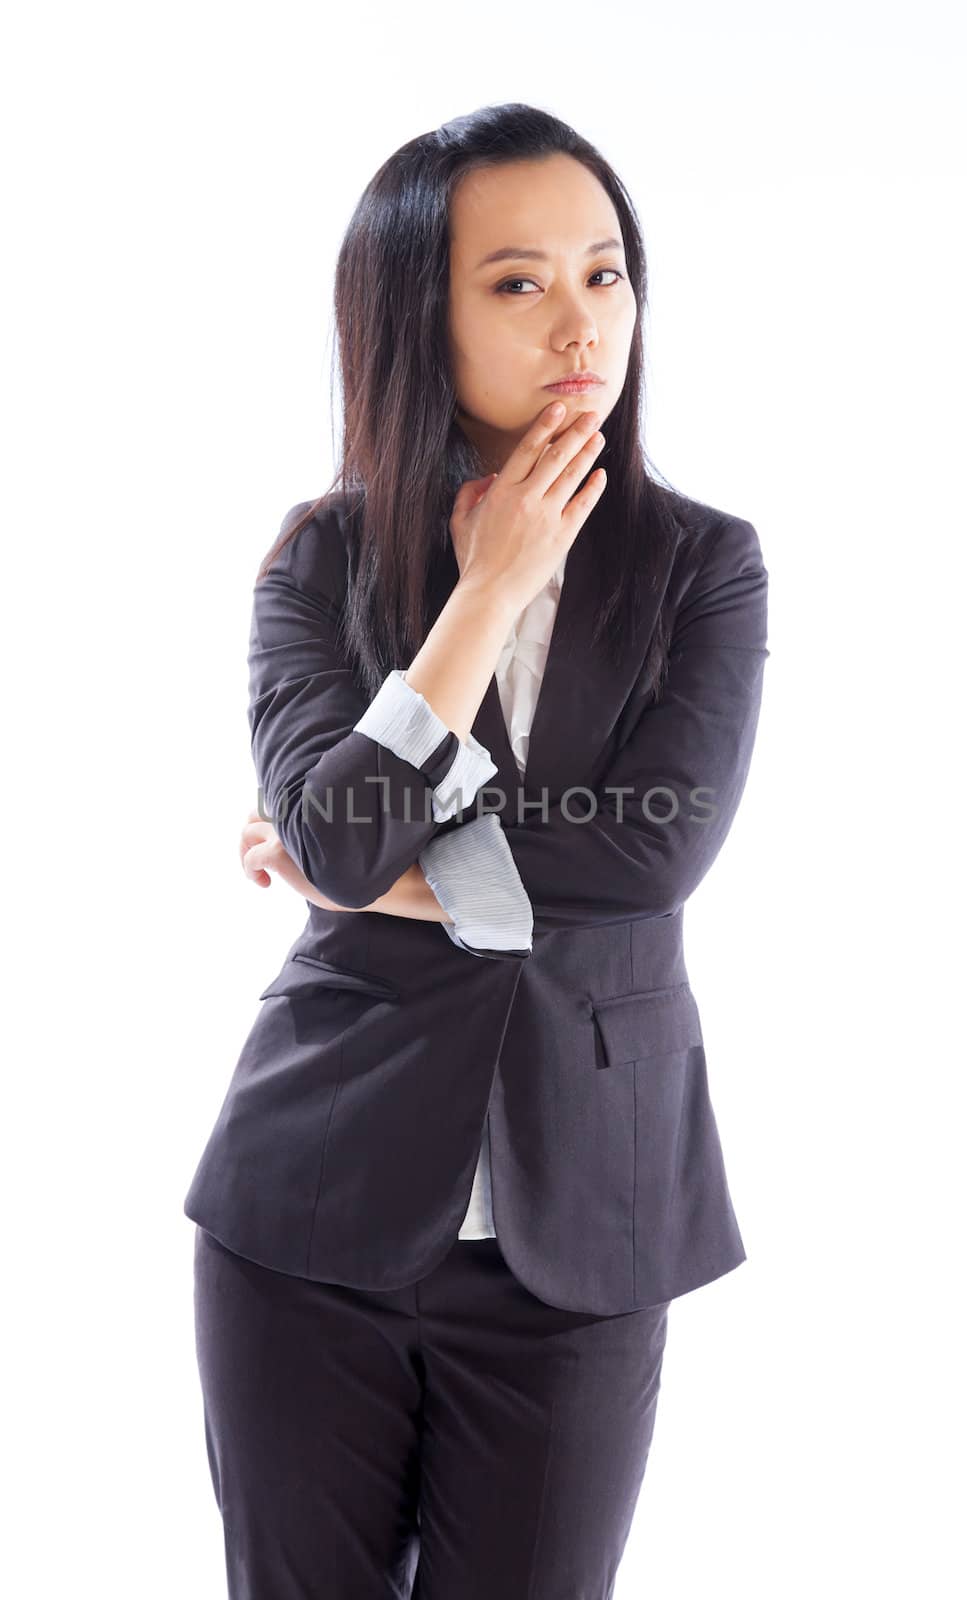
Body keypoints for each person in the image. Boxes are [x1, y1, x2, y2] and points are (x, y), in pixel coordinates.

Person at [185, 100, 770, 1599]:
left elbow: (650, 859)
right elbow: (340, 820)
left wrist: (365, 871)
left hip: (587, 1225)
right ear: (414, 315)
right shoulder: (320, 560)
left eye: (606, 271)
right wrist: (485, 595)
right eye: (517, 282)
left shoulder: (705, 565)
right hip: (307, 1213)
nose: (580, 322)